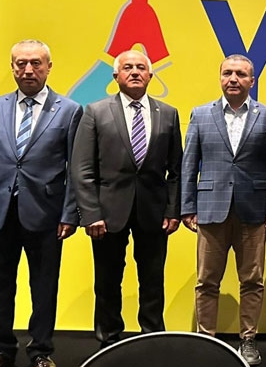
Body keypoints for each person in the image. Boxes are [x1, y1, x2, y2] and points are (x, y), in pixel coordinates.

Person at [71, 50, 183, 348]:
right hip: (107, 214)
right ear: (116, 76)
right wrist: (91, 213)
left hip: (154, 212)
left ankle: (152, 337)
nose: (135, 72)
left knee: (153, 280)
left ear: (150, 75)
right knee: (107, 280)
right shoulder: (95, 111)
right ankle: (109, 340)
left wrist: (173, 210)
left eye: (141, 67)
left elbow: (177, 169)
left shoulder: (168, 113)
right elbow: (82, 168)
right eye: (128, 67)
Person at [181, 54, 266, 366]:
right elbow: (189, 165)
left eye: (241, 74)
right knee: (206, 281)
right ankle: (206, 340)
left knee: (252, 280)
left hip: (254, 211)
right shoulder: (200, 115)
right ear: (220, 78)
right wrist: (187, 207)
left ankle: (248, 340)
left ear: (252, 81)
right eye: (227, 73)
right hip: (210, 208)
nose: (233, 79)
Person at [0, 40, 83, 367]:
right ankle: (3, 348)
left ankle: (40, 351)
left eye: (35, 63)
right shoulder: (0, 106)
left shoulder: (69, 110)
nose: (28, 69)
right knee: (1, 285)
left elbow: (75, 167)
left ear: (48, 67)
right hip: (2, 212)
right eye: (21, 63)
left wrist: (70, 213)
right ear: (12, 68)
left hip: (47, 213)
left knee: (44, 287)